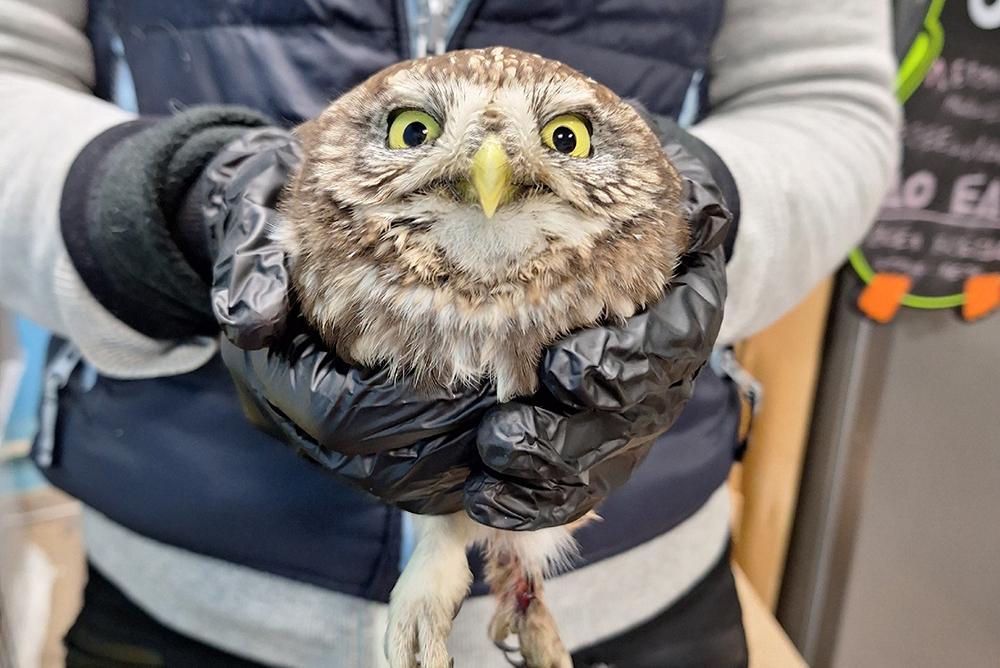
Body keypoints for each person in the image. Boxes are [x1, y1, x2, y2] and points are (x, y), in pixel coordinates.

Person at [0, 0, 900, 666]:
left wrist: (696, 220)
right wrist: (160, 210)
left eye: (565, 139)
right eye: (418, 131)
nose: (491, 168)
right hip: (186, 588)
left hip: (633, 600)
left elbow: (825, 92)